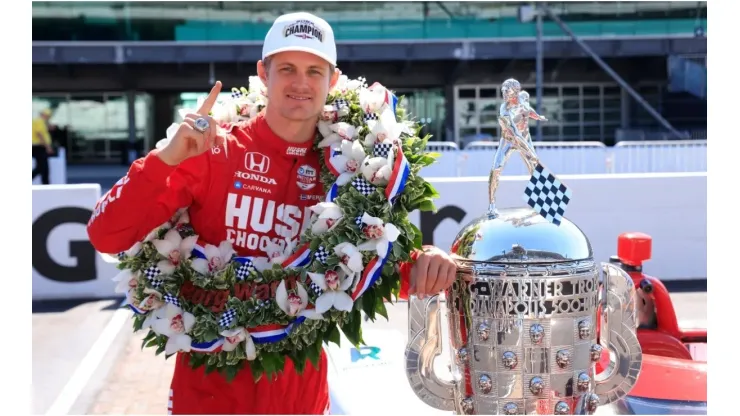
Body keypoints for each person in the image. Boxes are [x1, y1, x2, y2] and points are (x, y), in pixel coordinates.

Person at [86, 12, 457, 415]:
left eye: (314, 71)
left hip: (301, 398)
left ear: (333, 81)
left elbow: (370, 268)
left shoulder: (352, 168)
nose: (301, 83)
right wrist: (167, 158)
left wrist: (424, 266)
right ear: (263, 74)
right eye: (287, 69)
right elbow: (107, 234)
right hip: (208, 396)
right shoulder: (212, 149)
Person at [32, 108, 54, 184]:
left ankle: (46, 183)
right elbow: (40, 134)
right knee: (41, 167)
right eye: (48, 116)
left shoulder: (41, 122)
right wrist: (47, 147)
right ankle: (45, 183)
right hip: (39, 146)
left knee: (44, 168)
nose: (48, 117)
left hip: (40, 146)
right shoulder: (39, 121)